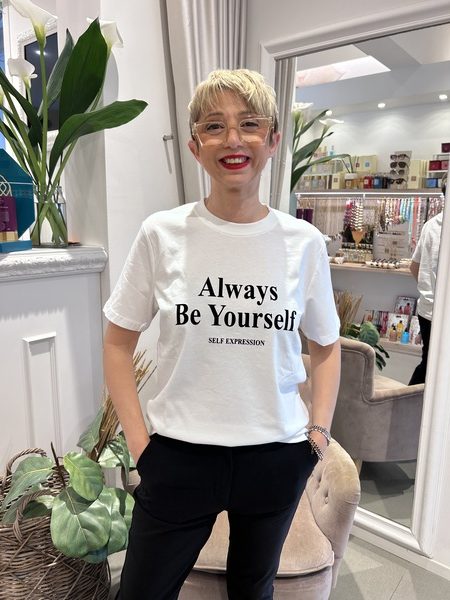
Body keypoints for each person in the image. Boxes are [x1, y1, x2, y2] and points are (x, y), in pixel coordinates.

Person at [103, 69, 341, 600]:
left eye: (249, 124)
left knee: (253, 591)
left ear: (273, 140)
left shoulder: (304, 243)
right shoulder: (161, 234)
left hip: (275, 455)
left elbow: (326, 347)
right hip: (178, 456)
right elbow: (118, 342)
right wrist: (140, 445)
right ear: (195, 146)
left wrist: (318, 435)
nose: (233, 139)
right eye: (214, 126)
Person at [409, 175, 446, 385]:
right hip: (438, 312)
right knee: (434, 366)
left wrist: (428, 290)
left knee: (429, 362)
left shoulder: (431, 225)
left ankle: (409, 399)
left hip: (427, 310)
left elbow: (414, 266)